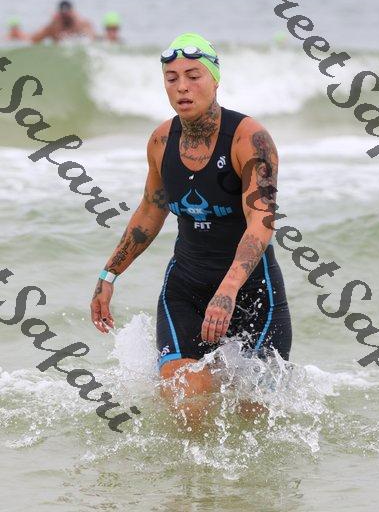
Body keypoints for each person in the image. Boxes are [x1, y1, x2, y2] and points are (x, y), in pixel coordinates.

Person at [90, 32, 292, 427]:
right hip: (187, 288)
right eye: (172, 78)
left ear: (215, 80)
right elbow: (151, 210)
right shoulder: (161, 140)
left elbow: (262, 220)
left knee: (253, 423)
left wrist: (228, 290)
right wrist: (108, 274)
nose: (182, 86)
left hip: (253, 294)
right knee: (185, 400)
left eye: (193, 76)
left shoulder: (250, 139)